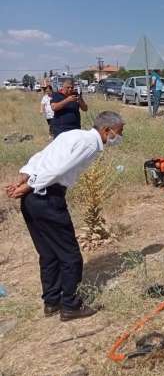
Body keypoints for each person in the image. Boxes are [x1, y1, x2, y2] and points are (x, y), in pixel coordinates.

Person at [5, 111, 125, 321]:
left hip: (34, 200)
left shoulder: (73, 135)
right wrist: (29, 186)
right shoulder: (90, 144)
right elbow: (58, 169)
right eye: (119, 132)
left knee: (49, 253)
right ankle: (70, 305)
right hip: (46, 197)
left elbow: (40, 156)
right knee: (70, 256)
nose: (119, 137)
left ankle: (52, 301)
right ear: (107, 130)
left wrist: (24, 175)